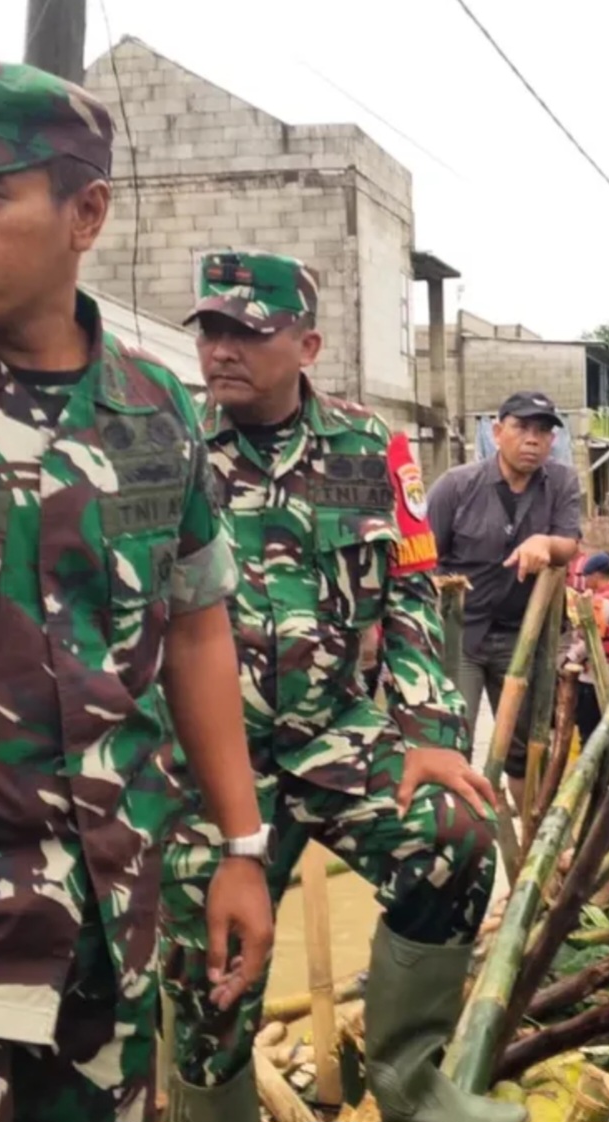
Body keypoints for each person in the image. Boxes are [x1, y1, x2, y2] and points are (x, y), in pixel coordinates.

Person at [160, 252, 523, 1122]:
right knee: (214, 975)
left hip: (336, 731)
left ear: (307, 344)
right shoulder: (165, 443)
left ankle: (408, 1080)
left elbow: (406, 589)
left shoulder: (368, 447)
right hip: (211, 757)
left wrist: (429, 730)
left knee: (459, 840)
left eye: (249, 331)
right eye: (211, 329)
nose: (222, 351)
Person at [0, 61, 272, 1122]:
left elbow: (195, 630)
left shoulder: (154, 412)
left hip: (110, 923)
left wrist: (241, 849)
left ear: (85, 213)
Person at [428, 392, 582, 810]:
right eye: (521, 428)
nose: (532, 440)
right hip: (462, 637)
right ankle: (459, 840)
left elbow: (569, 543)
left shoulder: (562, 482)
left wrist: (545, 542)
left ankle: (533, 853)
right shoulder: (456, 486)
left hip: (525, 637)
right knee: (453, 743)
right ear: (498, 433)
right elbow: (423, 557)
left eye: (543, 431)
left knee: (527, 751)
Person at [567, 552, 609, 744]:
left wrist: (569, 658)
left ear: (596, 576)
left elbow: (591, 638)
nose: (584, 581)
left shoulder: (602, 603)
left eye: (586, 577)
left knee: (589, 732)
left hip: (594, 676)